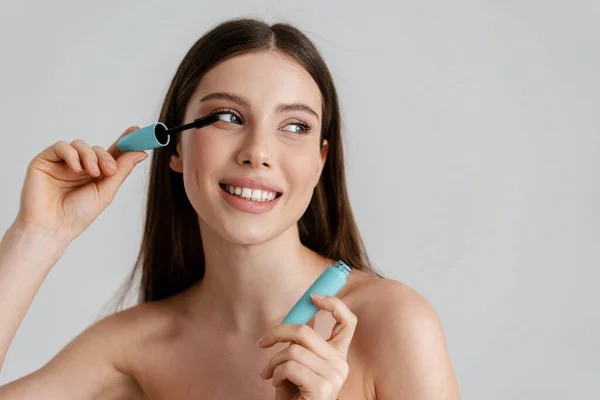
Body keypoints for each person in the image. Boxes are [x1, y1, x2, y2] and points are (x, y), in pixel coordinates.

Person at [0, 18, 460, 399]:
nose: (258, 151)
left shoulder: (394, 324)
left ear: (321, 161)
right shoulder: (133, 349)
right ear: (175, 148)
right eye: (227, 117)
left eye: (295, 125)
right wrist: (38, 234)